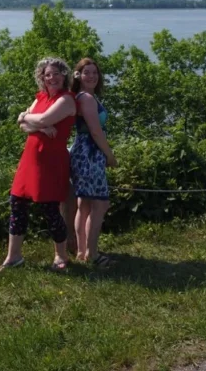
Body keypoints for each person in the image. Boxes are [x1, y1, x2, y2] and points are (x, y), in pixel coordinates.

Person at [0, 57, 77, 272]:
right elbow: (23, 124)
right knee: (17, 204)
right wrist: (34, 123)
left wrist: (31, 119)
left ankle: (60, 256)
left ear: (64, 76)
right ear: (42, 77)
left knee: (50, 208)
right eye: (47, 74)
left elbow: (39, 120)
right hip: (30, 160)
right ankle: (13, 257)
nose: (51, 78)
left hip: (51, 162)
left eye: (56, 73)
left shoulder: (67, 99)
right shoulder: (40, 98)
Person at [69, 57, 117, 267]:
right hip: (90, 153)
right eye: (87, 72)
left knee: (85, 204)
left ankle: (82, 252)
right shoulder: (87, 99)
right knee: (100, 203)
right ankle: (93, 254)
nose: (92, 76)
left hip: (83, 151)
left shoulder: (83, 97)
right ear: (78, 75)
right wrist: (110, 155)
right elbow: (96, 132)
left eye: (95, 72)